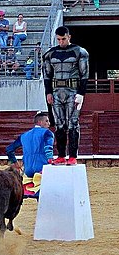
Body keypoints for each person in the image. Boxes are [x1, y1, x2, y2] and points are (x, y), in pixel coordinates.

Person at [42, 26, 89, 165]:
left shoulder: (79, 52)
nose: (61, 42)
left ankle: (73, 156)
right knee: (59, 125)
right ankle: (61, 155)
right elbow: (47, 75)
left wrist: (81, 93)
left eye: (63, 39)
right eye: (58, 39)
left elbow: (84, 74)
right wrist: (48, 92)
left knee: (73, 123)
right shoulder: (50, 53)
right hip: (57, 92)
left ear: (69, 37)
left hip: (73, 91)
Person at [6, 111, 54, 198]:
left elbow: (9, 149)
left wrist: (14, 162)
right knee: (48, 194)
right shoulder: (47, 133)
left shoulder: (24, 135)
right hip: (42, 169)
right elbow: (48, 148)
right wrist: (51, 160)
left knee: (23, 192)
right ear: (40, 122)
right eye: (46, 121)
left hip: (28, 170)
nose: (49, 124)